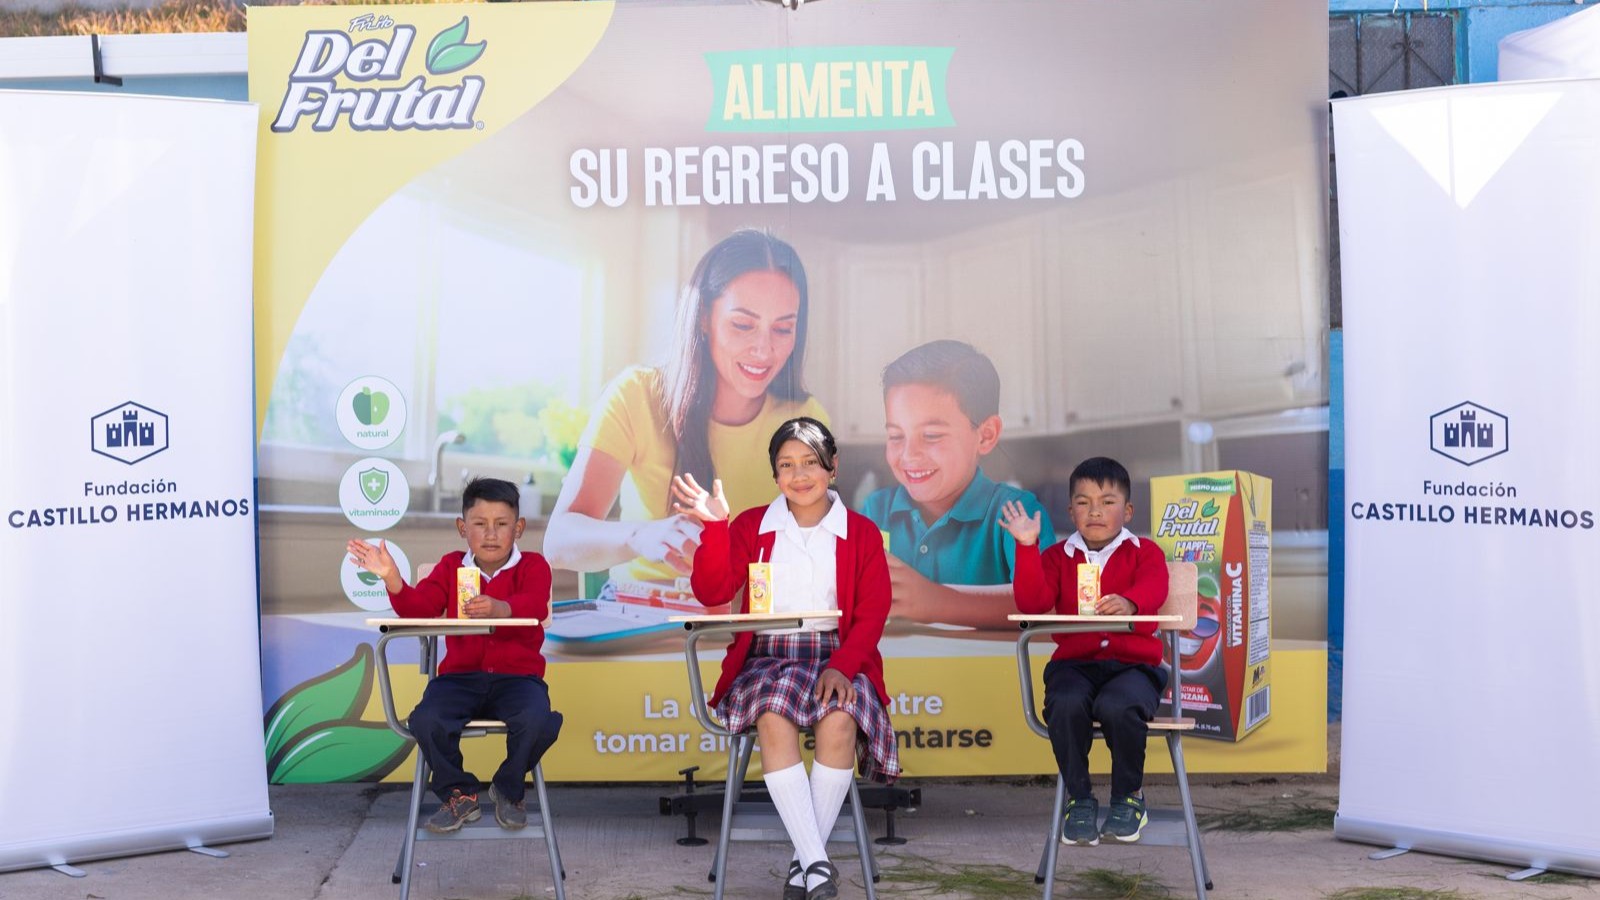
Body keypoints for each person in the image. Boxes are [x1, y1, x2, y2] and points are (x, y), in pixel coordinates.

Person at [673, 417, 897, 900]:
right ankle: (818, 863)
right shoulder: (752, 525)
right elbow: (710, 589)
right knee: (773, 714)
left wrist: (843, 665)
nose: (799, 475)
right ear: (775, 475)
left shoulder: (860, 533)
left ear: (832, 467)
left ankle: (805, 864)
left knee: (840, 719)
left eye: (810, 463)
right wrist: (715, 527)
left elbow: (874, 612)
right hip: (765, 658)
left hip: (838, 656)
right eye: (786, 466)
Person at [544, 228, 828, 587]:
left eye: (783, 329)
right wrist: (641, 537)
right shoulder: (637, 395)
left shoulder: (805, 419)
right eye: (743, 325)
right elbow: (559, 541)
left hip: (754, 625)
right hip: (646, 621)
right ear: (705, 318)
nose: (764, 349)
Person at [346, 477, 562, 833]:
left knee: (539, 719)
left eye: (502, 524)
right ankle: (459, 793)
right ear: (463, 528)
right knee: (426, 720)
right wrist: (392, 578)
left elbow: (535, 603)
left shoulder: (533, 567)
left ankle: (508, 788)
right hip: (460, 679)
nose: (491, 534)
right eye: (479, 524)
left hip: (517, 680)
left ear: (518, 528)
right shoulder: (450, 568)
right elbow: (419, 608)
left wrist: (500, 608)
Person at [999, 456, 1169, 846]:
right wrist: (1027, 547)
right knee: (1065, 701)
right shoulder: (1059, 556)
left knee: (1118, 706)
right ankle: (1080, 799)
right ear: (1070, 511)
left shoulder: (1144, 552)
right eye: (1084, 501)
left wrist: (1130, 602)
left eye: (1108, 502)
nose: (1095, 510)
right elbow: (1033, 602)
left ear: (1127, 510)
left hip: (1133, 667)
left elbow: (1156, 586)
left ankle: (1129, 797)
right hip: (1074, 666)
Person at [860, 339, 1054, 629]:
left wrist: (935, 601)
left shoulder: (1017, 512)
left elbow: (1045, 607)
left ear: (986, 435)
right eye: (896, 436)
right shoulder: (875, 510)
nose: (909, 455)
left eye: (932, 435)